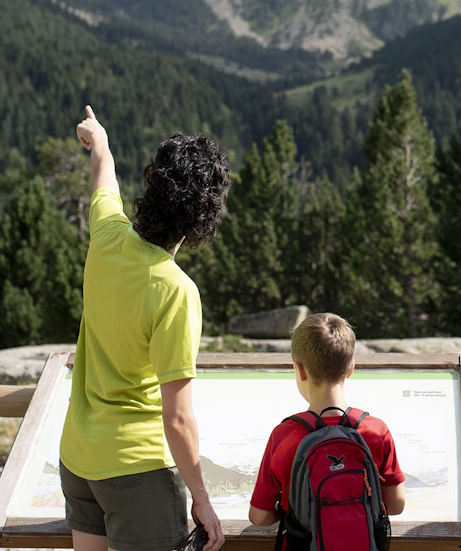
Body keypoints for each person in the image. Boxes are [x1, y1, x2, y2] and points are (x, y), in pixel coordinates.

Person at [59, 105, 230, 551]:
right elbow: (176, 416)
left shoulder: (107, 237)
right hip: (137, 474)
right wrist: (202, 498)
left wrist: (100, 140)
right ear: (201, 220)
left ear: (151, 188)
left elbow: (103, 179)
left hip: (79, 459)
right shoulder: (175, 290)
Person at [248, 312, 406, 541]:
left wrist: (289, 511)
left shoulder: (284, 435)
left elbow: (259, 516)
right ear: (350, 368)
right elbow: (396, 504)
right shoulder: (376, 431)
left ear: (300, 370)